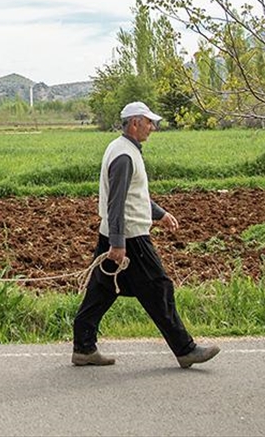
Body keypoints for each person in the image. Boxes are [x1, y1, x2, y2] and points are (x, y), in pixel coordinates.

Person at [71, 101, 220, 369]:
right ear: (135, 123)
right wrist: (118, 244)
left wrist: (159, 214)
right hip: (131, 238)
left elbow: (134, 196)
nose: (152, 127)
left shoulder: (122, 149)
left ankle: (83, 347)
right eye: (149, 122)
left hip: (116, 234)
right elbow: (116, 203)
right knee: (159, 289)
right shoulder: (125, 156)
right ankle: (185, 350)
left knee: (102, 291)